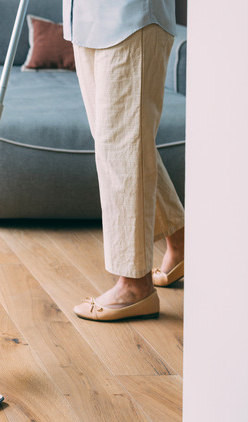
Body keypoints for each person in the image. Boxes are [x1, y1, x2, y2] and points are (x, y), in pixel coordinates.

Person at [64, 0, 186, 321]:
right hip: (84, 20)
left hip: (130, 17)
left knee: (122, 147)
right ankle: (183, 240)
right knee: (122, 146)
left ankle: (135, 284)